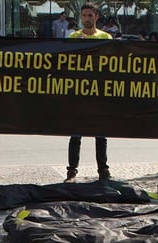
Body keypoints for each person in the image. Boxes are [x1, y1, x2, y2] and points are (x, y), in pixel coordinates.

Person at [65, 3, 113, 183]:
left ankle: (103, 170)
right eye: (84, 16)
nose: (86, 19)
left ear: (96, 17)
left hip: (99, 93)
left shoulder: (106, 37)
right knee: (75, 134)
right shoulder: (74, 37)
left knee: (101, 133)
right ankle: (71, 171)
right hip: (79, 93)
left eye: (90, 15)